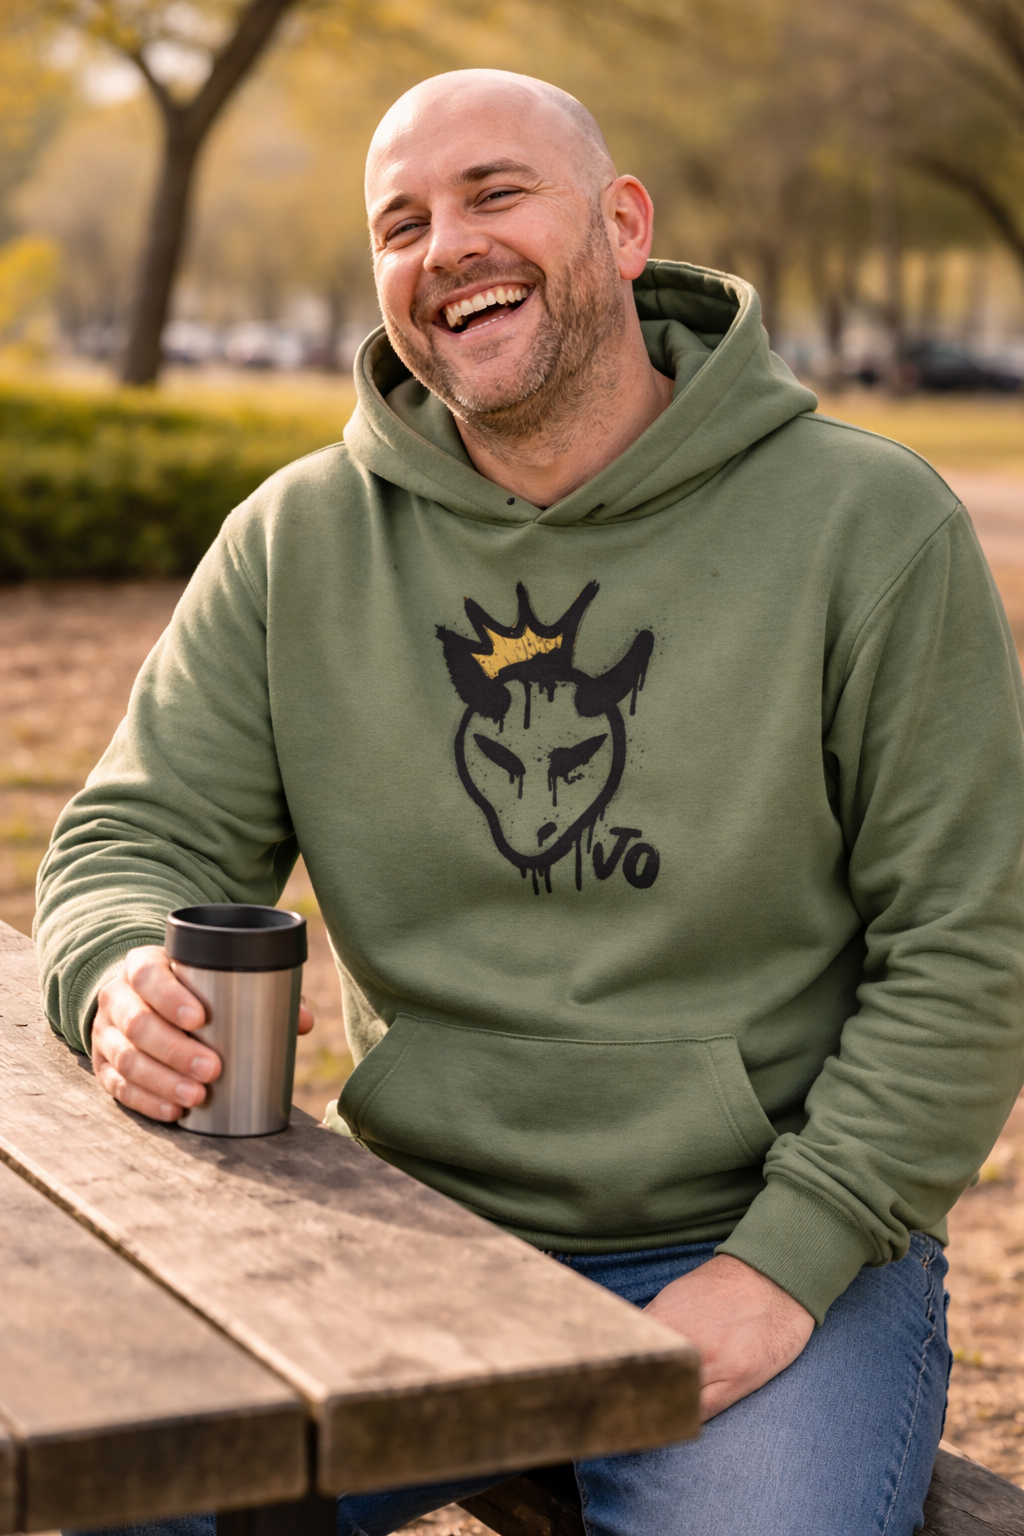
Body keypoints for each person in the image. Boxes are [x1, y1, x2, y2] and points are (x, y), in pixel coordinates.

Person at [41, 70, 1024, 1536]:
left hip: (755, 1228)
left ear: (624, 227)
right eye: (402, 222)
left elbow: (971, 945)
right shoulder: (298, 542)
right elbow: (133, 838)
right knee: (130, 1487)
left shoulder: (868, 529)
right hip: (409, 1222)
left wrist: (783, 1263)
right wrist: (117, 972)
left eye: (496, 194)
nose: (447, 247)